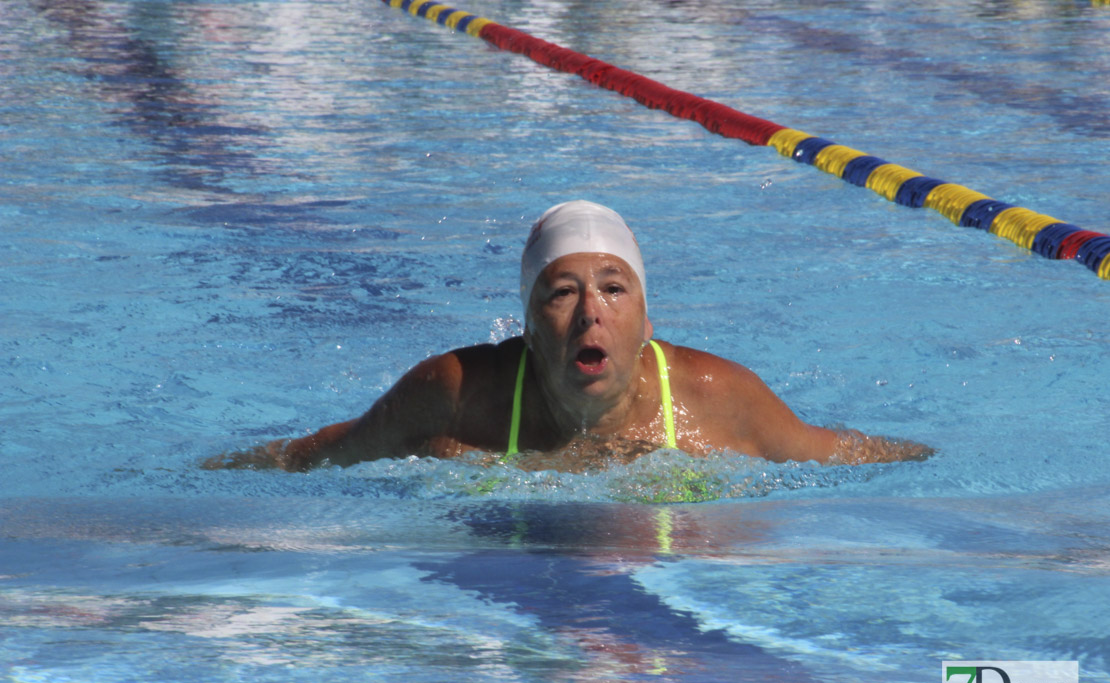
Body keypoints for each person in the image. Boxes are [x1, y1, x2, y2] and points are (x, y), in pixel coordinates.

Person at [205, 200, 932, 472]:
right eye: (563, 293)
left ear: (646, 323)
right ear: (526, 327)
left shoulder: (718, 400)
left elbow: (839, 454)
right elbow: (329, 454)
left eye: (614, 289)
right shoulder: (457, 396)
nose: (592, 311)